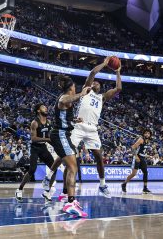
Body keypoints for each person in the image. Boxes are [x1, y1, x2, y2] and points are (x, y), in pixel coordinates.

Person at [70, 57, 122, 198]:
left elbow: (118, 88)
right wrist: (105, 64)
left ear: (100, 87)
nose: (95, 83)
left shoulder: (102, 97)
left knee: (99, 156)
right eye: (94, 82)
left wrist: (117, 72)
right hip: (79, 126)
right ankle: (50, 177)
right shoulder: (86, 90)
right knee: (68, 154)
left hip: (93, 129)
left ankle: (102, 184)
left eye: (98, 83)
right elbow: (93, 72)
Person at [49, 75, 90, 217]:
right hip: (60, 135)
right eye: (74, 87)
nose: (75, 88)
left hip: (63, 135)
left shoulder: (67, 100)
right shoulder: (63, 98)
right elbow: (67, 100)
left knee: (72, 166)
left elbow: (64, 114)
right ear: (71, 88)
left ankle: (69, 198)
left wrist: (74, 119)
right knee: (73, 167)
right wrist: (82, 94)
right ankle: (70, 203)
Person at [15, 103, 57, 203]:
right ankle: (19, 189)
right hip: (35, 148)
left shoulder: (49, 121)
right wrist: (48, 139)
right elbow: (33, 138)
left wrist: (55, 143)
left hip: (43, 147)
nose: (46, 108)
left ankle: (47, 191)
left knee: (54, 168)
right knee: (32, 169)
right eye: (43, 107)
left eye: (46, 107)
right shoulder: (35, 122)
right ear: (38, 110)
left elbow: (49, 136)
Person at [121, 129, 152, 194]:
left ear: (150, 135)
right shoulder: (141, 139)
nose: (147, 134)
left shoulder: (148, 141)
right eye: (146, 133)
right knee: (133, 174)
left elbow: (142, 151)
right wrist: (136, 156)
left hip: (142, 158)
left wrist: (147, 156)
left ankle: (145, 188)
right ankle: (124, 184)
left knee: (145, 172)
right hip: (137, 158)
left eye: (148, 133)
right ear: (143, 134)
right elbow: (133, 147)